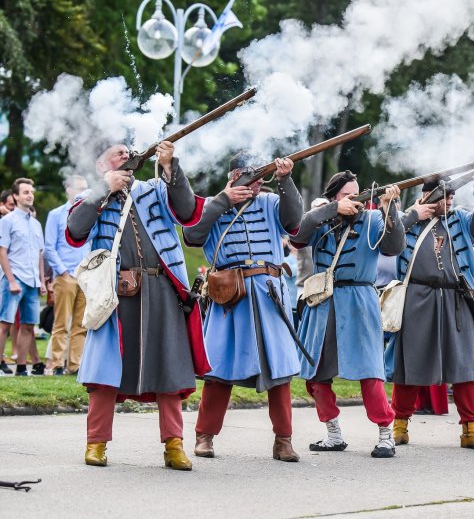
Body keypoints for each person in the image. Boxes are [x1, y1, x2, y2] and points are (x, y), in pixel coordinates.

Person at [67, 141, 209, 469]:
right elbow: (75, 231)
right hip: (114, 293)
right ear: (101, 163)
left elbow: (187, 211)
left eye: (128, 150)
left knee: (170, 369)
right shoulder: (90, 195)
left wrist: (171, 166)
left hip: (162, 288)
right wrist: (104, 190)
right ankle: (96, 443)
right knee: (104, 373)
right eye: (117, 152)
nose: (126, 155)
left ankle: (174, 445)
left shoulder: (155, 189)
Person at [184, 151, 305, 462]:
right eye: (250, 177)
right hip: (229, 294)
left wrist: (285, 181)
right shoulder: (214, 203)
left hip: (268, 292)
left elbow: (293, 223)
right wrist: (223, 201)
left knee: (278, 372)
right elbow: (192, 235)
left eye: (260, 177)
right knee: (218, 371)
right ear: (233, 177)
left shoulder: (268, 201)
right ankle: (205, 436)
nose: (256, 183)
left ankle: (283, 440)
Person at [296, 171, 405, 458]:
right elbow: (297, 236)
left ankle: (385, 435)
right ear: (334, 197)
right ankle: (333, 434)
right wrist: (330, 210)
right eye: (347, 195)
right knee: (316, 373)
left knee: (370, 372)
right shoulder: (320, 217)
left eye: (357, 194)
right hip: (323, 303)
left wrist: (389, 206)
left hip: (359, 300)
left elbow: (394, 247)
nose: (354, 200)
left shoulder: (372, 220)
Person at [386, 170, 474, 452]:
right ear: (427, 196)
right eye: (444, 196)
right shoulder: (410, 217)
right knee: (408, 365)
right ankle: (399, 425)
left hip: (455, 297)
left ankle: (470, 429)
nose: (449, 200)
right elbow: (389, 242)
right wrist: (412, 215)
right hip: (417, 296)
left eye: (451, 196)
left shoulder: (458, 218)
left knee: (464, 366)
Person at [44, 174, 90, 376]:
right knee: (61, 323)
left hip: (85, 276)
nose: (83, 193)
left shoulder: (90, 213)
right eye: (79, 189)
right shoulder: (56, 214)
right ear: (68, 190)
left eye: (85, 189)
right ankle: (54, 364)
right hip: (66, 276)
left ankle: (74, 365)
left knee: (81, 325)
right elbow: (49, 247)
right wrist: (63, 272)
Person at [0, 178, 46, 376]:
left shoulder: (36, 224)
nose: (30, 195)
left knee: (28, 325)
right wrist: (10, 280)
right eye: (25, 192)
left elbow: (39, 255)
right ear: (16, 196)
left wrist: (42, 281)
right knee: (5, 323)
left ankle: (21, 368)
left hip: (33, 281)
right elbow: (2, 252)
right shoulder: (7, 221)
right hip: (15, 278)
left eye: (31, 192)